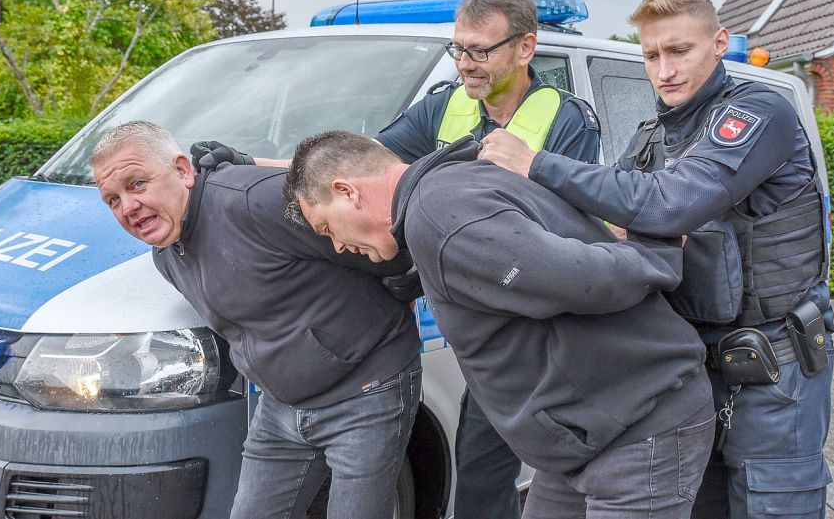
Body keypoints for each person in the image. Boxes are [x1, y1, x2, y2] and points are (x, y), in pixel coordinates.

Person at [194, 0, 601, 517]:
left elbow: (574, 231)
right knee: (480, 472)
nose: (465, 64)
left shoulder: (567, 121)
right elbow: (354, 164)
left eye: (480, 51)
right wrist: (247, 161)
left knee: (508, 474)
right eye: (459, 49)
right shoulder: (446, 107)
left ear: (525, 48)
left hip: (529, 330)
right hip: (468, 320)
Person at [480, 0, 834, 519]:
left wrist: (536, 162)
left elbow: (668, 203)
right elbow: (610, 214)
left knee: (774, 506)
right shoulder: (654, 134)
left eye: (679, 50)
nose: (664, 68)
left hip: (772, 376)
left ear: (718, 43)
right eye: (651, 54)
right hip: (689, 372)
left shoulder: (760, 112)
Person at [285, 130, 716, 518]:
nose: (338, 244)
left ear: (347, 191)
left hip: (638, 427)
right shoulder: (454, 183)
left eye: (327, 227)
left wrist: (657, 255)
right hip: (585, 438)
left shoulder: (441, 217)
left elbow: (578, 279)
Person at [91, 121, 423, 519]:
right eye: (112, 199)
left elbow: (377, 228)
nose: (127, 207)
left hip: (366, 392)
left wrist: (405, 274)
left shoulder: (253, 199)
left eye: (138, 184)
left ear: (182, 170)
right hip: (280, 409)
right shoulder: (167, 255)